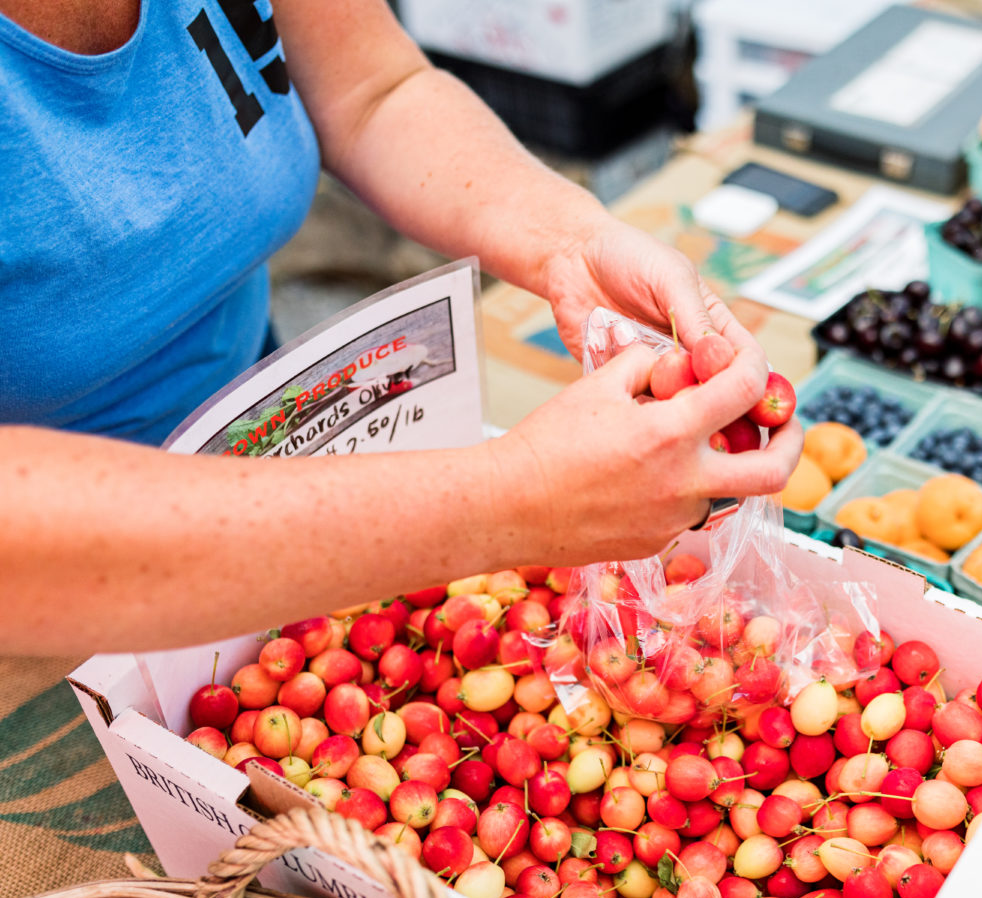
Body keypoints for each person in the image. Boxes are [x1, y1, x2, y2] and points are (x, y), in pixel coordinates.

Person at [0, 0, 801, 655]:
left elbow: (372, 91)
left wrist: (568, 244)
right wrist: (504, 501)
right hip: (47, 612)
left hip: (283, 479)